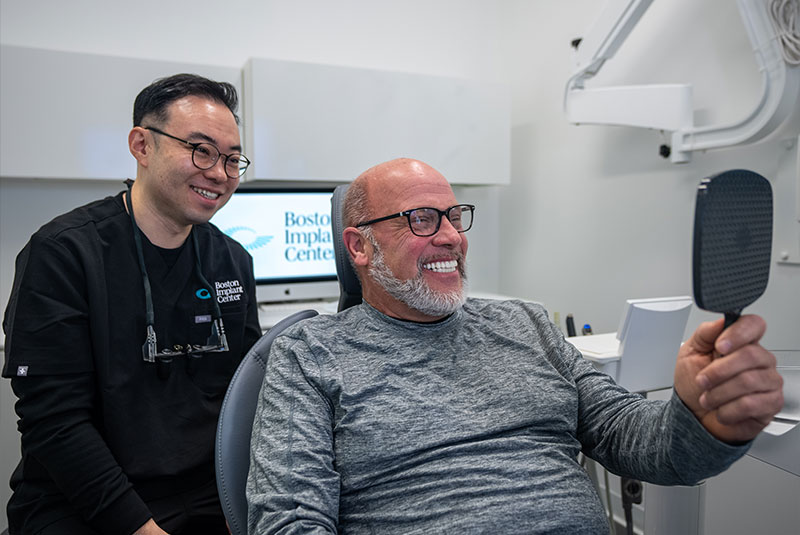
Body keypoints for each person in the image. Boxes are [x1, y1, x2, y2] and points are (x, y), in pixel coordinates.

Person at [246, 157, 784, 534]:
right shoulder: (308, 353)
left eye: (454, 216)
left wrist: (701, 417)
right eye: (422, 219)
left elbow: (636, 439)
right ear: (359, 246)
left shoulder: (525, 322)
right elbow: (289, 520)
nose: (452, 237)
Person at [2, 74, 262, 535]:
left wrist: (243, 500)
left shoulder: (232, 260)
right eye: (201, 150)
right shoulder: (64, 254)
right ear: (142, 145)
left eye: (231, 159)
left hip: (209, 495)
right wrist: (141, 528)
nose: (219, 174)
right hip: (84, 500)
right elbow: (55, 421)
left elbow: (246, 396)